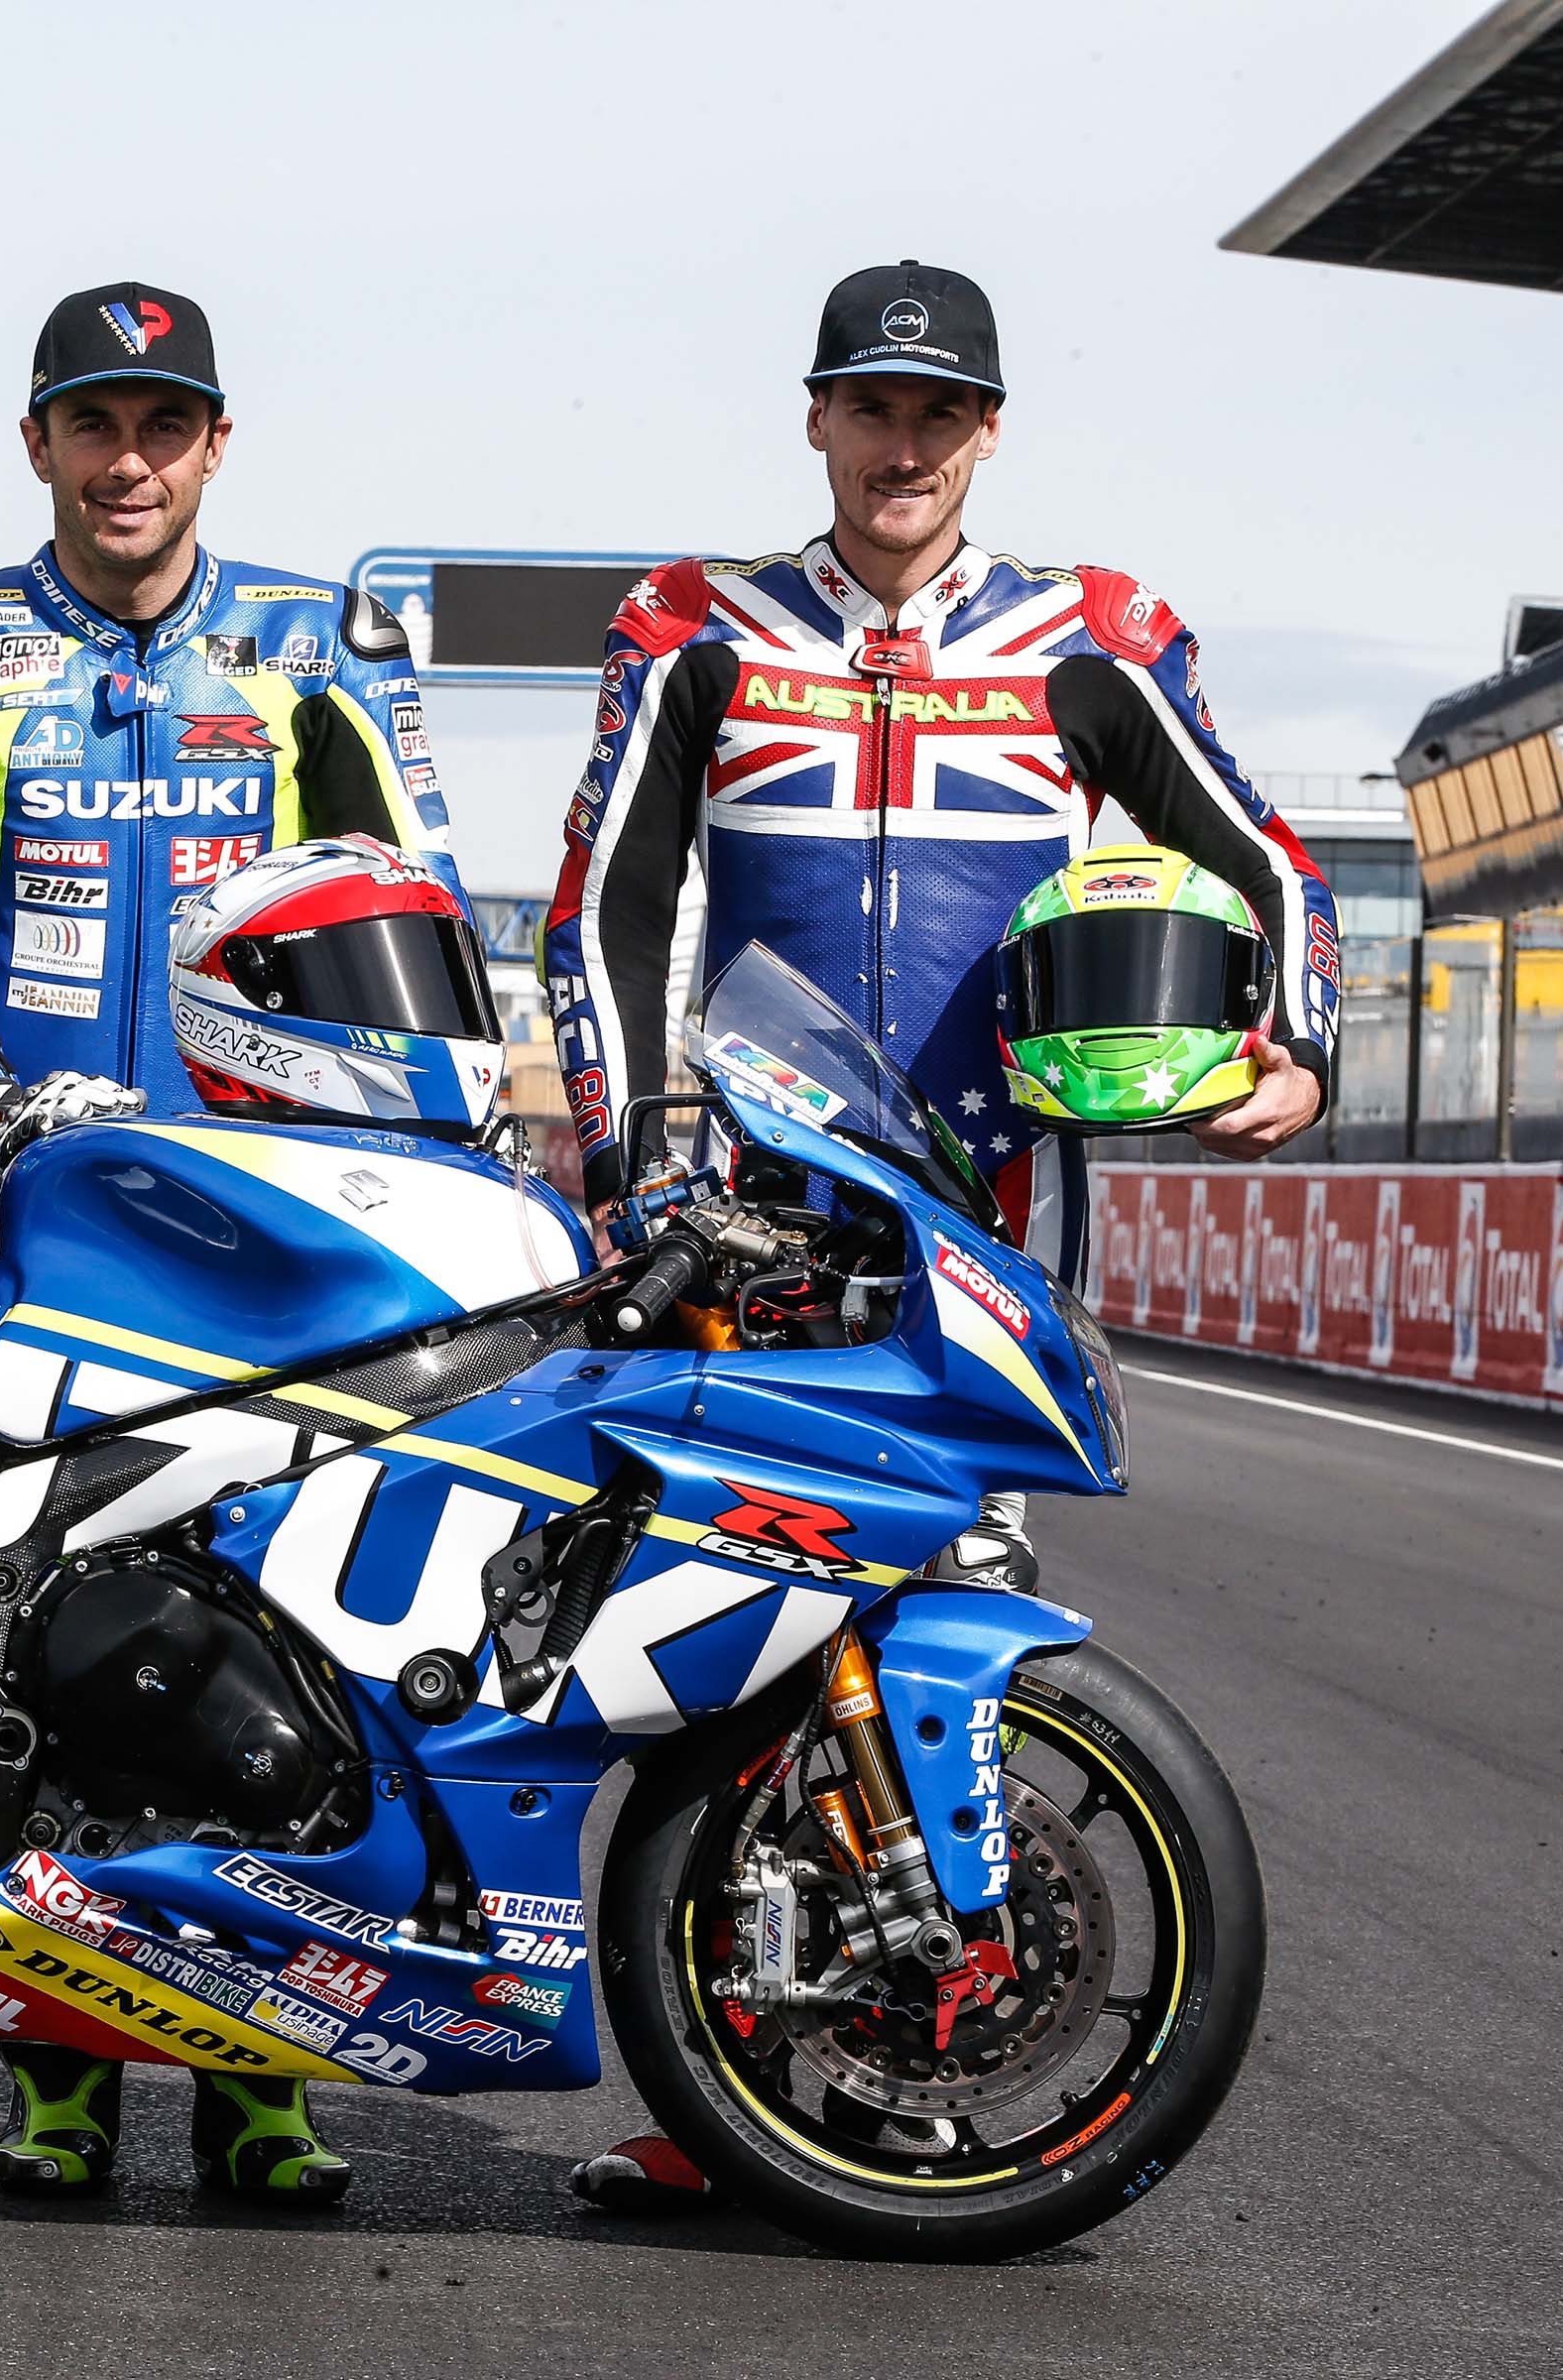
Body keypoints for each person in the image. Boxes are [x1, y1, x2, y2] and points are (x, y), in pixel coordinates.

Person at [541, 258, 1339, 2217]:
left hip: (983, 1221)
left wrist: (1299, 1045)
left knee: (947, 1623)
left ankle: (890, 2078)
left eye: (940, 413)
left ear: (988, 433)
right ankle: (742, 2099)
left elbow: (1267, 863)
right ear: (817, 417)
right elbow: (604, 905)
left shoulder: (1091, 634)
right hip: (751, 1226)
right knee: (733, 1648)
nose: (904, 446)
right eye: (873, 407)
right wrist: (628, 1164)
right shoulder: (697, 625)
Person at [0, 281, 457, 2204]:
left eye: (163, 425)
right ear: (38, 442)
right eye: (94, 424)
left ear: (215, 444)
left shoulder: (322, 646)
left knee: (292, 1647)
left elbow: (417, 901)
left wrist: (427, 1151)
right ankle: (60, 2062)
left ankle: (266, 2073)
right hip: (25, 1224)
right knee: (25, 1647)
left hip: (275, 1235)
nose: (129, 461)